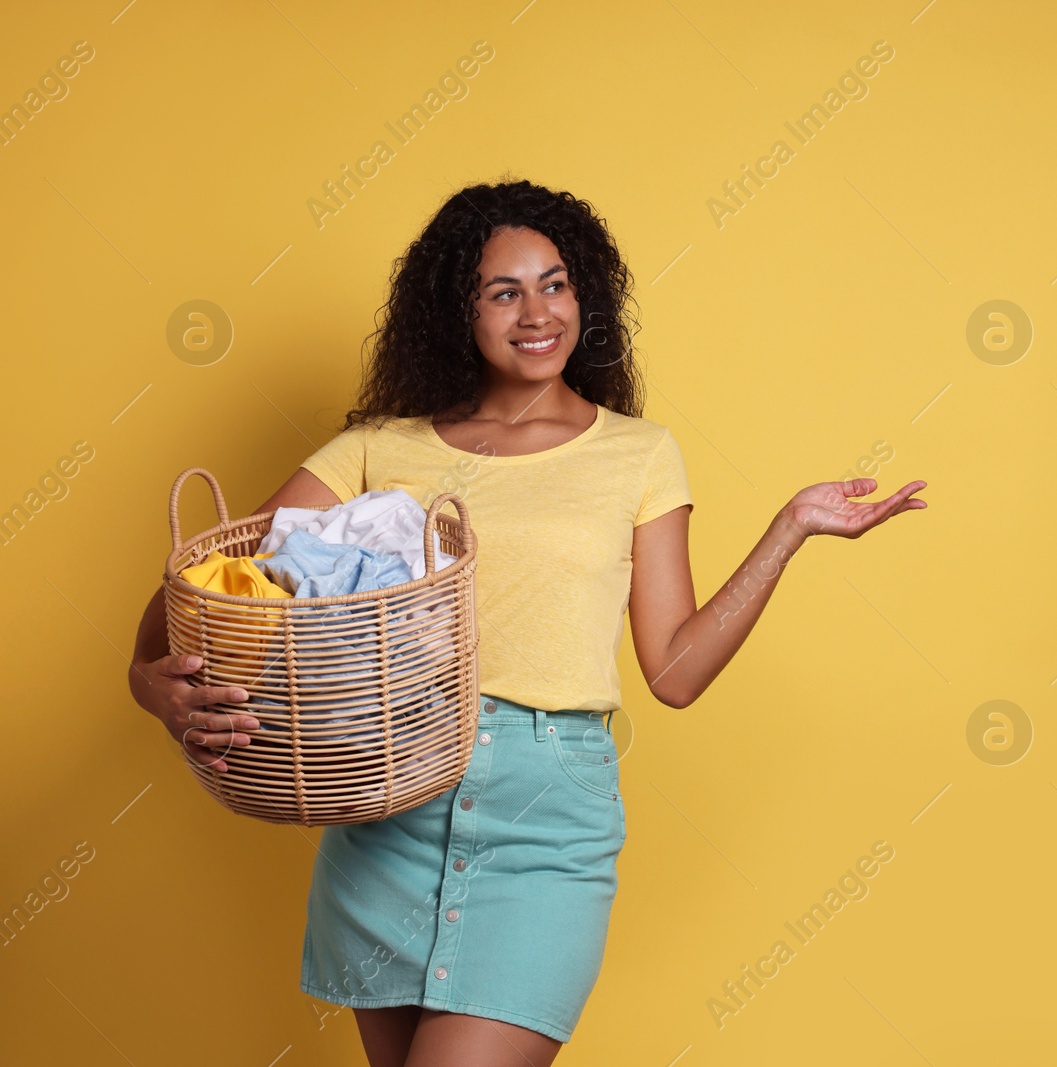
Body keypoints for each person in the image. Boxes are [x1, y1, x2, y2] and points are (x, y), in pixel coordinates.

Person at [126, 178, 927, 1066]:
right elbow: (211, 580)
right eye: (503, 292)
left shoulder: (638, 454)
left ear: (586, 295)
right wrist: (147, 681)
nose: (537, 312)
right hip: (389, 807)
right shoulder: (376, 449)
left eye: (555, 283)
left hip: (546, 821)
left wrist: (789, 532)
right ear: (455, 314)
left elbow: (676, 671)